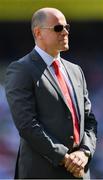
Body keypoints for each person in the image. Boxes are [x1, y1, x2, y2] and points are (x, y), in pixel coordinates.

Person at [5, 7, 97, 179]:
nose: (64, 32)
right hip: (42, 173)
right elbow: (27, 125)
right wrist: (65, 157)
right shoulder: (21, 69)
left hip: (80, 172)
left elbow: (89, 120)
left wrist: (84, 152)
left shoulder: (76, 70)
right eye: (57, 28)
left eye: (66, 27)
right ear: (38, 33)